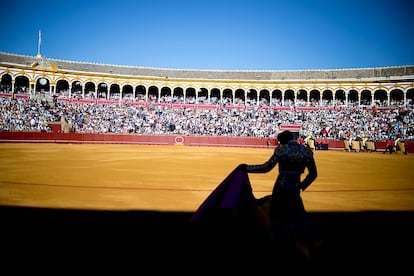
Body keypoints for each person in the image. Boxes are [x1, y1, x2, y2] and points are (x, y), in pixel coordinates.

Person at [242, 130, 320, 259]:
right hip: (295, 186)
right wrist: (302, 185)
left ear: (282, 140)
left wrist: (246, 168)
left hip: (281, 185)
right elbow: (313, 174)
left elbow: (266, 168)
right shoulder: (306, 151)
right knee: (296, 212)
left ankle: (278, 243)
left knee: (277, 212)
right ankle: (296, 242)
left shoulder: (281, 149)